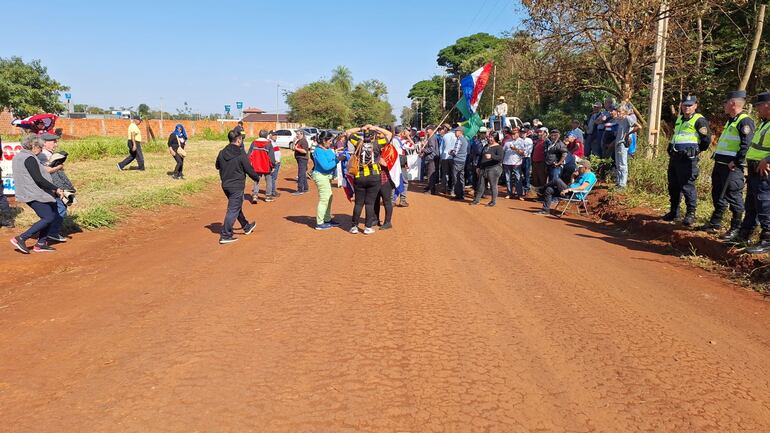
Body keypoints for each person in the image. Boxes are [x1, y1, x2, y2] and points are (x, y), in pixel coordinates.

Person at [699, 90, 755, 238]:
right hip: (720, 164)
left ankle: (736, 228)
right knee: (718, 194)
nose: (723, 105)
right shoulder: (731, 120)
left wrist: (736, 162)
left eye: (725, 102)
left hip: (732, 167)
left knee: (733, 196)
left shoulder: (745, 121)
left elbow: (746, 145)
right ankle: (715, 223)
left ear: (733, 103)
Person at [9, 135, 64, 253]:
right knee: (48, 217)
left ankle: (41, 243)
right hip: (33, 193)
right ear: (33, 146)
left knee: (53, 212)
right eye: (40, 147)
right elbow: (38, 179)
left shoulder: (19, 156)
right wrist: (56, 188)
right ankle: (21, 238)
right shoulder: (29, 158)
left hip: (33, 192)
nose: (41, 149)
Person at [662, 95, 711, 227]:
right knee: (673, 185)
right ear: (681, 106)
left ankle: (690, 214)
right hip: (675, 157)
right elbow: (677, 135)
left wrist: (697, 150)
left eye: (690, 105)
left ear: (695, 105)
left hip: (688, 159)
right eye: (685, 105)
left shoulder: (699, 120)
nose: (687, 107)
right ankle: (674, 212)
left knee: (687, 186)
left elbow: (706, 139)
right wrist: (670, 146)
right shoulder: (680, 119)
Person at [215, 130, 258, 244]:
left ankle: (246, 226)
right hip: (237, 186)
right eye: (241, 139)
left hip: (225, 185)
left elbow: (217, 166)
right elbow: (248, 169)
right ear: (238, 139)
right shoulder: (240, 154)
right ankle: (226, 235)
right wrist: (256, 178)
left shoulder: (222, 152)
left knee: (236, 206)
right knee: (233, 209)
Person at [347, 125, 391, 234]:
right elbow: (389, 134)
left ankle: (354, 227)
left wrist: (362, 128)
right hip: (374, 176)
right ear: (373, 137)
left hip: (359, 175)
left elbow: (348, 132)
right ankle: (367, 227)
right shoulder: (377, 144)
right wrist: (375, 128)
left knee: (358, 203)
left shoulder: (358, 143)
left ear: (363, 136)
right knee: (369, 203)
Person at [741, 91, 770, 253]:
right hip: (754, 169)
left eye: (760, 105)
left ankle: (767, 239)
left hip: (764, 170)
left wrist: (768, 159)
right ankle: (745, 233)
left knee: (764, 202)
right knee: (751, 203)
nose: (757, 108)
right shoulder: (764, 123)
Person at [37, 132, 73, 243]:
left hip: (52, 186)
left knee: (56, 208)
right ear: (45, 143)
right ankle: (52, 233)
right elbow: (45, 171)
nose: (55, 144)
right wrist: (59, 167)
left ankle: (47, 232)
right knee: (60, 208)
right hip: (52, 187)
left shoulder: (45, 154)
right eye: (53, 142)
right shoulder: (43, 155)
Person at [311, 131, 344, 230]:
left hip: (327, 176)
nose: (331, 142)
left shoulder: (328, 149)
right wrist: (338, 160)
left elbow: (332, 159)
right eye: (329, 141)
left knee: (329, 197)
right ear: (324, 141)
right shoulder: (318, 151)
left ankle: (327, 219)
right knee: (324, 198)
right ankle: (319, 223)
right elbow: (326, 166)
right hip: (321, 176)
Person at [608, 104, 638, 189]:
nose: (618, 113)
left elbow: (638, 126)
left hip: (623, 143)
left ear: (624, 112)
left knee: (622, 163)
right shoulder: (618, 120)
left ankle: (623, 184)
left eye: (619, 111)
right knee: (618, 163)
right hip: (617, 143)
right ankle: (618, 182)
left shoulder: (627, 118)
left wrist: (628, 134)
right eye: (617, 111)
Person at [471, 131, 504, 206]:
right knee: (480, 185)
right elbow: (481, 157)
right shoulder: (486, 146)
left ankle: (493, 201)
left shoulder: (498, 147)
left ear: (495, 138)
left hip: (494, 168)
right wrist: (478, 167)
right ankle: (477, 200)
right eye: (489, 137)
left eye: (491, 137)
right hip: (483, 168)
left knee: (493, 185)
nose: (490, 138)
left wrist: (492, 156)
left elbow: (500, 158)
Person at [247, 130, 276, 203]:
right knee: (269, 181)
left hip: (256, 165)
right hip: (266, 166)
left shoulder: (254, 143)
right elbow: (271, 157)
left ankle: (255, 196)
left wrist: (249, 165)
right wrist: (273, 166)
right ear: (266, 136)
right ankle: (268, 197)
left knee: (256, 180)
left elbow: (249, 155)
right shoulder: (268, 143)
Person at [502, 128, 525, 199]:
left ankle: (519, 194)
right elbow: (503, 151)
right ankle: (509, 193)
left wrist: (515, 149)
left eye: (514, 134)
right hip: (506, 162)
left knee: (518, 178)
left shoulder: (521, 141)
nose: (513, 135)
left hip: (516, 163)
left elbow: (523, 153)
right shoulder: (507, 142)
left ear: (518, 134)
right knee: (508, 179)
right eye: (512, 134)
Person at [450, 127, 468, 200]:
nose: (455, 133)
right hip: (463, 161)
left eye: (456, 131)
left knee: (456, 178)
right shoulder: (465, 140)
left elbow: (455, 153)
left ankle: (458, 194)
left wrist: (450, 152)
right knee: (461, 178)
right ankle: (461, 194)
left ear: (460, 132)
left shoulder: (459, 140)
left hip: (457, 161)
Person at [421, 124, 440, 195]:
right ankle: (430, 187)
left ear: (431, 130)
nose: (426, 131)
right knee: (431, 173)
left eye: (427, 129)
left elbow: (431, 148)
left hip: (432, 158)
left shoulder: (432, 137)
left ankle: (431, 190)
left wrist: (424, 150)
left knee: (431, 174)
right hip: (432, 157)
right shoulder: (432, 137)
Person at [292, 129, 310, 195]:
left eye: (298, 134)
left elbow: (305, 151)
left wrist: (297, 149)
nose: (297, 135)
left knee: (300, 174)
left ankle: (300, 190)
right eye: (296, 134)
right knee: (303, 174)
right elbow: (293, 148)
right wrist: (294, 141)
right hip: (300, 159)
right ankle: (305, 188)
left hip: (303, 159)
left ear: (302, 134)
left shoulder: (304, 141)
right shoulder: (299, 141)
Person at [440, 124, 456, 194]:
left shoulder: (445, 136)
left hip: (445, 157)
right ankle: (452, 189)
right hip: (452, 157)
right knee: (453, 174)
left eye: (443, 128)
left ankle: (444, 189)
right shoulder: (455, 136)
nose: (443, 129)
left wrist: (441, 156)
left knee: (445, 174)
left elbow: (441, 148)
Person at [268, 131, 282, 199]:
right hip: (274, 163)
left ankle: (272, 191)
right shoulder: (270, 143)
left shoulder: (273, 142)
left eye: (276, 135)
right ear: (270, 135)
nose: (275, 136)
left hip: (277, 162)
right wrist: (274, 162)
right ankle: (272, 192)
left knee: (274, 178)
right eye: (274, 135)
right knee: (272, 178)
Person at [520, 127, 534, 196]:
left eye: (524, 133)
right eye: (521, 133)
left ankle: (527, 189)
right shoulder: (518, 140)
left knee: (526, 174)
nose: (522, 134)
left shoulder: (529, 140)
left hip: (526, 158)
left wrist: (522, 152)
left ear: (526, 133)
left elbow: (529, 150)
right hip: (519, 159)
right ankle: (521, 189)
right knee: (519, 175)